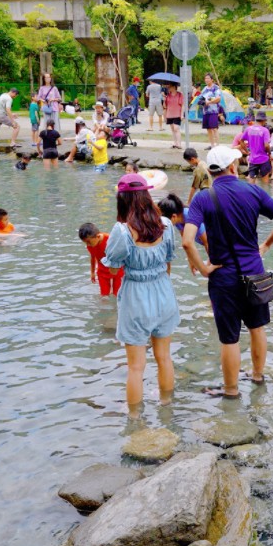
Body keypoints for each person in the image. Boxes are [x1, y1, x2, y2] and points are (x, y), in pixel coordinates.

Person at [183, 145, 273, 397]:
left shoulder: (203, 197)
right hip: (254, 271)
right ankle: (257, 376)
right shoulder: (253, 190)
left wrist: (203, 269)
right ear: (232, 166)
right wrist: (265, 245)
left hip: (223, 277)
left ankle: (231, 391)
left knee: (229, 337)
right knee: (257, 327)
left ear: (211, 171)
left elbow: (188, 241)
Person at [102, 174, 180, 408]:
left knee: (136, 367)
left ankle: (135, 420)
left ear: (122, 200)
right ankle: (166, 406)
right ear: (146, 196)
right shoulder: (165, 225)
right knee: (164, 357)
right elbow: (168, 264)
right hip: (163, 293)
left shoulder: (123, 231)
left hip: (136, 297)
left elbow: (114, 271)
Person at [78, 222, 124, 296]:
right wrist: (92, 272)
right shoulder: (90, 246)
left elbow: (122, 254)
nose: (88, 245)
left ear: (98, 236)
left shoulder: (110, 240)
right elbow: (93, 257)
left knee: (117, 294)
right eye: (85, 243)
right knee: (104, 295)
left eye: (89, 242)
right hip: (102, 272)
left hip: (117, 270)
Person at [244, 112, 271, 184]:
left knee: (251, 183)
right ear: (264, 120)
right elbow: (266, 145)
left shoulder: (248, 129)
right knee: (265, 184)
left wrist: (247, 151)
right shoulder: (265, 130)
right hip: (263, 158)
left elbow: (241, 141)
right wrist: (269, 152)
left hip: (253, 159)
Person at [200, 74, 221, 147]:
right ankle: (212, 145)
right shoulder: (205, 88)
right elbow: (201, 98)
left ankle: (218, 145)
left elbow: (218, 98)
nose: (206, 80)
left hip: (213, 111)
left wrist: (209, 102)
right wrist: (201, 102)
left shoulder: (216, 88)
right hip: (205, 111)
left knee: (214, 128)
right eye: (205, 78)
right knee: (208, 129)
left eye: (208, 78)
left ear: (212, 79)